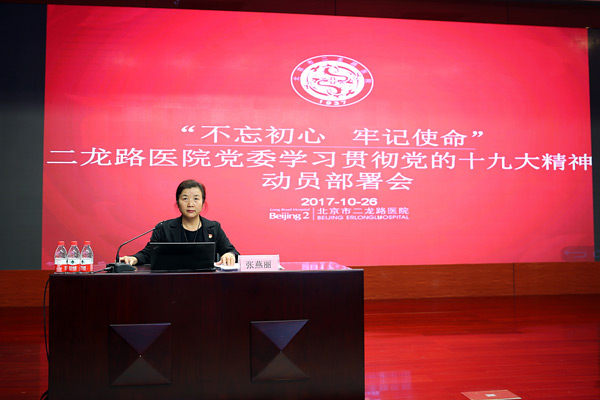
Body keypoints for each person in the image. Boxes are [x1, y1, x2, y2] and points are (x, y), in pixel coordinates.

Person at [119, 179, 239, 266]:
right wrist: (134, 258)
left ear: (203, 203)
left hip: (207, 282)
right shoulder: (164, 228)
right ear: (177, 202)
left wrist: (230, 255)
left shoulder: (214, 228)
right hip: (171, 283)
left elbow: (233, 252)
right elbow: (149, 253)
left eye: (196, 199)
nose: (190, 204)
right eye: (185, 198)